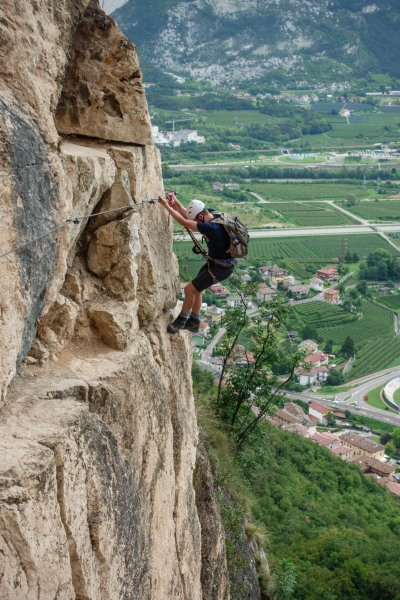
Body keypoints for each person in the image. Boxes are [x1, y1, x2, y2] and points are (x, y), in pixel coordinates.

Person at [158, 193, 236, 333]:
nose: (196, 223)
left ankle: (181, 320)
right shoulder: (212, 214)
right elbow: (187, 217)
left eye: (197, 220)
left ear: (200, 216)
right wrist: (174, 201)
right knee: (197, 290)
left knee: (189, 289)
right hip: (218, 264)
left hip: (221, 268)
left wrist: (165, 205)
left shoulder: (211, 228)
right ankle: (194, 320)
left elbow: (185, 222)